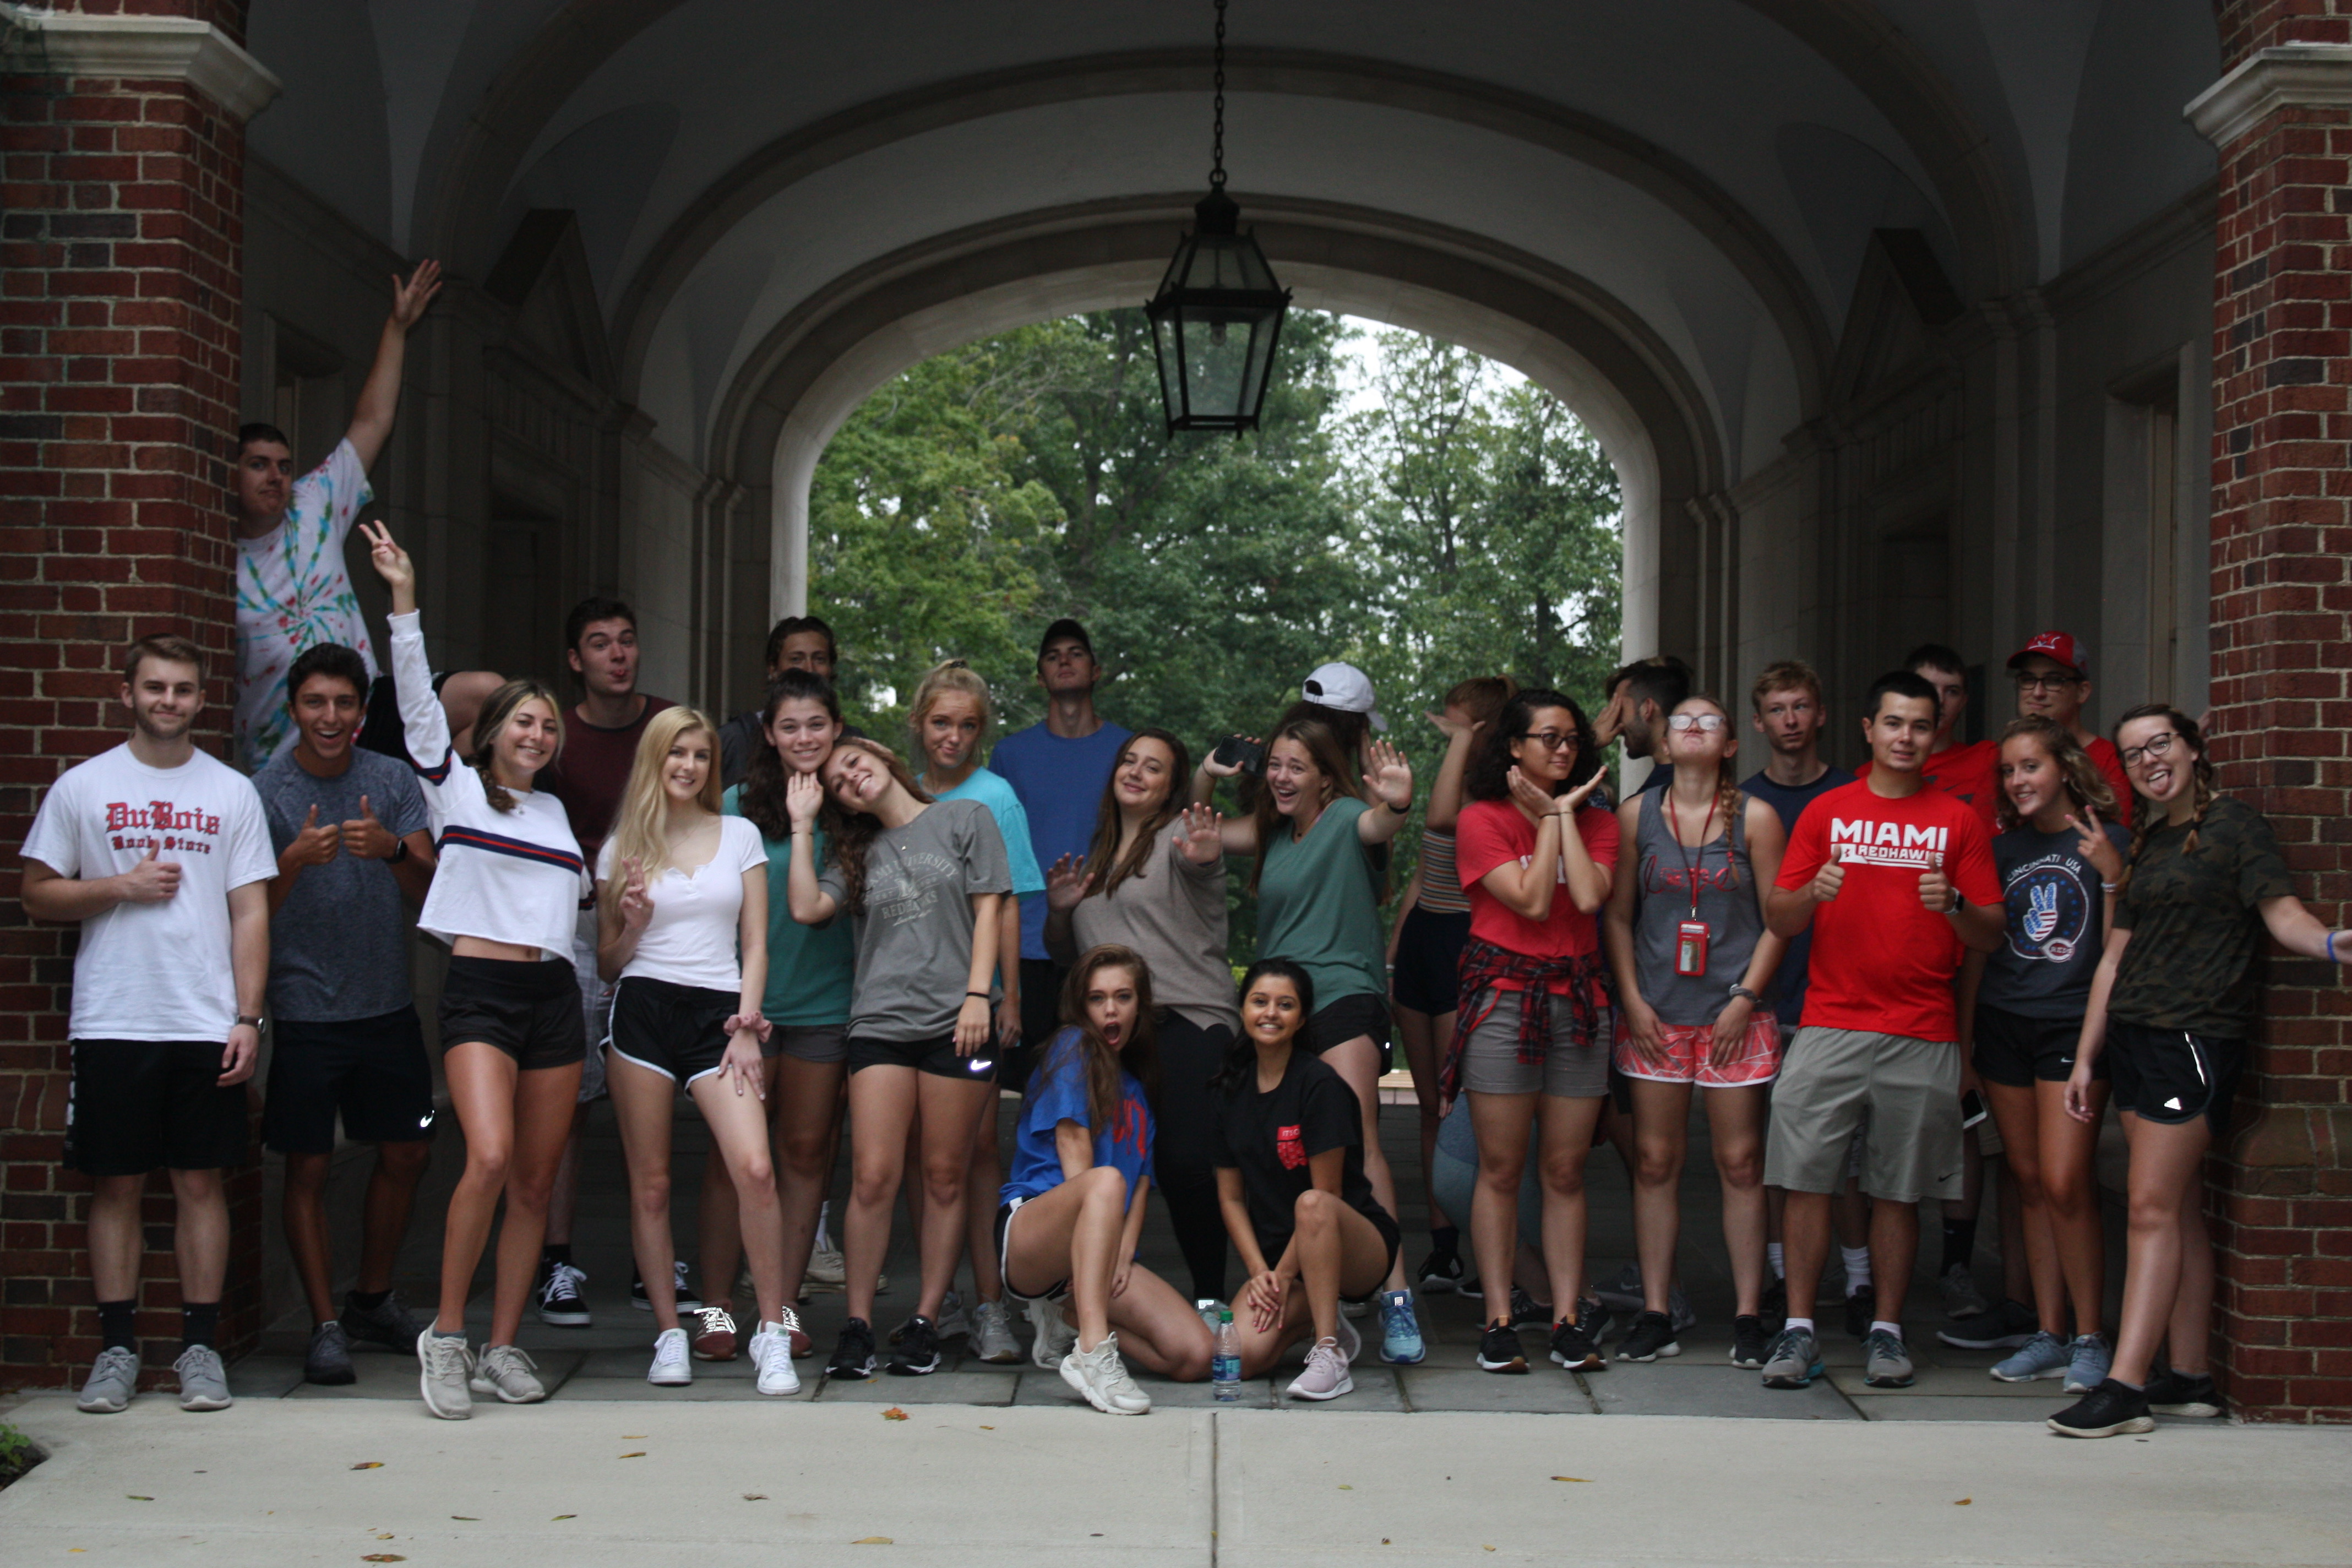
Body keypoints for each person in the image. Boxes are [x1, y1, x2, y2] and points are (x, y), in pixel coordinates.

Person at [2047, 707, 2352, 1437]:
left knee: (2149, 1205)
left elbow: (2283, 916)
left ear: (2192, 747)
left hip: (2196, 1038)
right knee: (2175, 1209)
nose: (2150, 759)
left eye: (2161, 744)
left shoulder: (2237, 827)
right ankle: (2189, 1379)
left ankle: (2125, 1389)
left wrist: (2335, 944)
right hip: (2133, 1038)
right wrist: (2088, 1058)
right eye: (2134, 754)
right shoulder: (2146, 842)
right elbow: (2114, 958)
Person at [366, 522, 591, 1420]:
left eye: (547, 723)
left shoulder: (558, 819)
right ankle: (447, 1335)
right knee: (489, 1155)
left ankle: (504, 1342)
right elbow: (418, 701)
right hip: (480, 995)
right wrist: (404, 597)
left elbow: (577, 918)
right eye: (523, 720)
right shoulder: (455, 788)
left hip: (554, 998)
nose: (536, 732)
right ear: (492, 732)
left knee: (535, 1181)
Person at [22, 636, 274, 1415]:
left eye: (185, 690)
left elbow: (250, 910)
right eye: (156, 687)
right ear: (126, 692)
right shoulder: (83, 787)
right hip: (115, 1016)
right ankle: (117, 1350)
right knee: (118, 1183)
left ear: (203, 699)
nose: (170, 701)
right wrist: (121, 886)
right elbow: (37, 894)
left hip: (204, 1019)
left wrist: (247, 1017)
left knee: (200, 1180)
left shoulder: (231, 792)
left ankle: (200, 1350)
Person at [1758, 669, 2003, 1393]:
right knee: (1804, 1179)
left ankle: (1889, 1332)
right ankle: (1798, 1330)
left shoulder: (1957, 820)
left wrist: (1955, 903)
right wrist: (1811, 893)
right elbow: (1778, 916)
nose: (1906, 738)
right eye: (1893, 724)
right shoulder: (1828, 812)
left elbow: (1989, 933)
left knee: (1898, 1191)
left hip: (1922, 1030)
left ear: (1936, 735)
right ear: (1868, 730)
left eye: (1920, 726)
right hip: (1830, 1022)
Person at [1197, 716, 1428, 1364]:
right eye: (1274, 764)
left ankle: (1396, 1294)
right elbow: (1204, 834)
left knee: (1357, 1135)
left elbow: (1383, 823)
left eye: (1297, 766)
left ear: (1326, 777)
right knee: (1280, 1148)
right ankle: (1305, 1291)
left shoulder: (1350, 816)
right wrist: (1207, 776)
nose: (1281, 775)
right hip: (1281, 1004)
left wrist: (1400, 799)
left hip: (1346, 996)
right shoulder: (1271, 834)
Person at [788, 738, 1011, 1380]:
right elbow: (806, 907)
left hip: (958, 1021)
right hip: (880, 1022)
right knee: (873, 1177)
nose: (851, 778)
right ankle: (857, 1324)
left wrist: (979, 994)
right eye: (836, 782)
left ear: (882, 757)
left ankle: (925, 1319)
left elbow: (991, 904)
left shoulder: (965, 817)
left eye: (854, 762)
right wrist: (804, 826)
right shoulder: (855, 852)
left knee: (944, 1175)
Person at [594, 707, 797, 1395]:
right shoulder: (623, 843)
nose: (689, 766)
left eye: (702, 755)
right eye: (677, 753)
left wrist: (746, 1022)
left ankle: (771, 1335)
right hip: (643, 1011)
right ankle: (670, 1334)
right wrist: (631, 924)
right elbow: (607, 964)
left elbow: (757, 944)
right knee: (651, 1185)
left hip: (721, 1014)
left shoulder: (739, 834)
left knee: (755, 1168)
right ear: (656, 760)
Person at [252, 642, 439, 1386]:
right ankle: (324, 1324)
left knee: (406, 1154)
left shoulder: (390, 779)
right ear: (293, 709)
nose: (329, 718)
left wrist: (390, 848)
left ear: (362, 713)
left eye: (343, 704)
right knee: (309, 1165)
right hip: (303, 1011)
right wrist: (294, 859)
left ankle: (371, 1298)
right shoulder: (263, 793)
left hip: (386, 1004)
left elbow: (432, 893)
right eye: (314, 703)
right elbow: (246, 915)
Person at [228, 259, 498, 771]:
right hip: (284, 745)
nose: (275, 477)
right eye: (258, 466)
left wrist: (397, 328)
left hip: (370, 708)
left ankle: (442, 790)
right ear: (230, 475)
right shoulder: (215, 564)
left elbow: (374, 419)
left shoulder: (315, 503)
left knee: (493, 699)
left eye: (284, 466)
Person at [1603, 694, 1787, 1370]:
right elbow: (1618, 917)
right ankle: (1657, 1311)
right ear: (1665, 741)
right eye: (1682, 720)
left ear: (1733, 744)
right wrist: (1632, 999)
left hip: (1734, 1014)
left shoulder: (1757, 819)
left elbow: (1779, 920)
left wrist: (1745, 996)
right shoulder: (1636, 817)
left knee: (1740, 1163)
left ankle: (1746, 1313)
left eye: (1710, 720)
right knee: (1655, 1162)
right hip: (1657, 1013)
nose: (1694, 728)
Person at [1442, 688, 1618, 1376]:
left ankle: (1569, 1318)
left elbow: (1593, 896)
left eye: (1572, 739)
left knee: (1567, 1170)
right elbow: (1537, 898)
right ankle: (1499, 1318)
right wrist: (1551, 819)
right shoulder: (1481, 818)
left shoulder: (1598, 821)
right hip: (1503, 1001)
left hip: (1579, 1001)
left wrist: (1563, 815)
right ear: (1514, 747)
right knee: (1502, 1167)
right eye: (1548, 737)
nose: (1564, 749)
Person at [1960, 717, 2127, 1393]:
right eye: (2008, 770)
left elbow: (2119, 949)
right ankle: (2049, 1333)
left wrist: (2113, 879)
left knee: (2066, 1180)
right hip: (2004, 1025)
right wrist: (1965, 1040)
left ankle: (2091, 1337)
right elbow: (1982, 950)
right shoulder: (2002, 850)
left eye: (2030, 766)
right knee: (2028, 1181)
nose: (2017, 780)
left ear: (2064, 767)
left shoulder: (2107, 842)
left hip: (2072, 1029)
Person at [1042, 729, 1234, 1308]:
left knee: (1184, 1161)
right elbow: (1066, 955)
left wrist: (1207, 858)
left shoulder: (1181, 838)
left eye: (1153, 767)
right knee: (1103, 1165)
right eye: (1129, 760)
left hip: (1188, 1017)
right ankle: (1086, 1295)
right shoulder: (1096, 855)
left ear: (1169, 788)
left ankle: (1208, 1297)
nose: (1136, 771)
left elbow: (1203, 868)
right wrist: (1060, 912)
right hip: (1112, 1032)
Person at [533, 596, 676, 1330]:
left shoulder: (668, 726)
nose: (617, 655)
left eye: (626, 641)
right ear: (575, 660)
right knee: (570, 1100)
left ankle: (652, 1263)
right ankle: (556, 1262)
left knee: (649, 1098)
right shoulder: (552, 739)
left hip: (663, 931)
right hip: (579, 931)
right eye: (599, 644)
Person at [1000, 945, 1215, 1412]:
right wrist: (1095, 1254)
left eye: (1123, 996)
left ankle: (1069, 1317)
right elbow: (1076, 1149)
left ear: (1142, 1004)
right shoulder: (1071, 1047)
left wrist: (1121, 1252)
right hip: (1034, 1234)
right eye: (1097, 999)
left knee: (1196, 1355)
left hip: (1100, 1243)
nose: (1111, 1009)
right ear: (1081, 1007)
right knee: (1103, 1180)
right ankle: (1093, 1354)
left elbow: (1140, 1185)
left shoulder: (1137, 1087)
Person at [714, 668, 859, 1358]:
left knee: (805, 1156)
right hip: (744, 1009)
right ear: (769, 735)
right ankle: (715, 1310)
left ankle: (785, 1308)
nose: (805, 738)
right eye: (790, 726)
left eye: (818, 724)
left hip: (826, 1004)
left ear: (837, 728)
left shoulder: (852, 803)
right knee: (735, 1162)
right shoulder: (735, 804)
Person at [905, 660, 1046, 1361]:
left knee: (976, 1149)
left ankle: (992, 1304)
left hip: (976, 1007)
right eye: (940, 723)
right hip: (905, 1003)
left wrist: (1008, 995)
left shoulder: (998, 797)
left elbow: (1012, 899)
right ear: (918, 724)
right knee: (918, 1155)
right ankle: (945, 1299)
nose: (952, 737)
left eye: (966, 725)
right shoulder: (898, 796)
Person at [1213, 960, 1402, 1401]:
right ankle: (1315, 1318)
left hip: (1357, 1245)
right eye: (1260, 1002)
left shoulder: (1320, 1085)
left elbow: (1329, 1194)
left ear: (1302, 1018)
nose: (1271, 1013)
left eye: (1285, 1005)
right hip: (1285, 1258)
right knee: (1239, 1360)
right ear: (1242, 1010)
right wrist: (1261, 1273)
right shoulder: (1229, 1090)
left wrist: (1279, 1275)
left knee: (1312, 1203)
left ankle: (1329, 1352)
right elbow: (1231, 1199)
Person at [1740, 661, 1862, 1325]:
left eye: (1801, 707)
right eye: (1777, 709)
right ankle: (1785, 1282)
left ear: (1821, 715)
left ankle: (1861, 1277)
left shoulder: (1853, 796)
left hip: (1836, 999)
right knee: (1770, 1156)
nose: (1791, 720)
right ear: (1758, 722)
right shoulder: (1743, 805)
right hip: (1763, 1002)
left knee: (1841, 1157)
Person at [1389, 676, 1517, 1295]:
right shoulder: (1454, 776)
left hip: (1467, 943)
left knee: (1457, 1102)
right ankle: (1444, 1249)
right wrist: (1394, 954)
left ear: (1481, 729)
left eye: (1455, 721)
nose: (1442, 726)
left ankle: (1487, 1240)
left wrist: (1465, 741)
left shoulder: (1495, 792)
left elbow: (1443, 820)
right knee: (1427, 1105)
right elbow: (1424, 868)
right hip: (1424, 939)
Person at [989, 619, 1133, 1065]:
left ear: (1096, 671)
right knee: (1027, 1083)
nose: (1064, 661)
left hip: (1104, 940)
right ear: (1040, 678)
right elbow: (992, 854)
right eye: (1052, 656)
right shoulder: (1010, 755)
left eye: (1075, 653)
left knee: (1104, 1083)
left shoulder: (1127, 750)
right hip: (1026, 943)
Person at [2007, 631, 2131, 823]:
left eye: (2054, 681)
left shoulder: (2110, 760)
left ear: (2082, 692)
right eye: (2028, 680)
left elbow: (2113, 842)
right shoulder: (2003, 758)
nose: (2038, 693)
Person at [717, 614, 852, 788]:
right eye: (796, 659)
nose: (809, 669)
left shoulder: (853, 743)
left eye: (819, 659)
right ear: (773, 669)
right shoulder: (733, 740)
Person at [1909, 643, 1999, 830]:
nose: (1940, 700)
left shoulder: (1988, 759)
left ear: (1963, 702)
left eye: (1952, 692)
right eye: (1929, 688)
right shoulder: (1870, 774)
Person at [1593, 655, 1694, 796]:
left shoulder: (1654, 798)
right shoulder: (1700, 782)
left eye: (1619, 709)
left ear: (1647, 709)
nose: (1614, 722)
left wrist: (1590, 742)